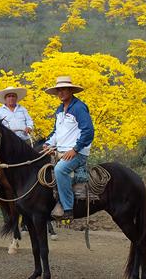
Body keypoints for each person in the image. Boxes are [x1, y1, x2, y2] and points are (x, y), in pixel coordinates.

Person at [43, 76, 94, 221]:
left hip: (77, 152)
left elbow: (88, 131)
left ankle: (67, 208)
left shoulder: (79, 107)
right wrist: (47, 144)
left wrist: (75, 149)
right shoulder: (59, 110)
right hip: (60, 150)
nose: (61, 93)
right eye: (58, 90)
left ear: (71, 90)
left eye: (63, 89)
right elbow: (56, 132)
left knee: (60, 169)